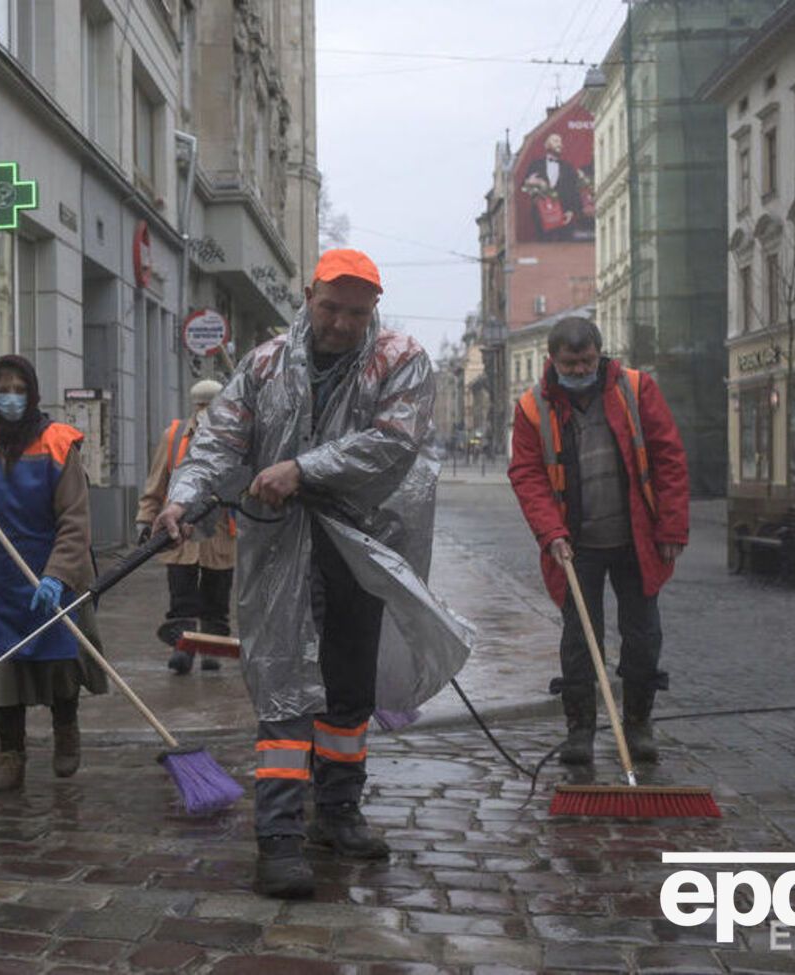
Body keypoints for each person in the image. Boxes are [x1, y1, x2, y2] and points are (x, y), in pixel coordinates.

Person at [152, 249, 468, 899]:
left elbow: (393, 440)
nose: (344, 323)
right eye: (331, 307)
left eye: (358, 312)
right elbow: (220, 442)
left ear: (373, 308)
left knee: (349, 686)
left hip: (361, 543)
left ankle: (339, 812)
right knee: (283, 683)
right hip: (281, 546)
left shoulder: (401, 359)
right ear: (308, 295)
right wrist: (182, 496)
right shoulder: (265, 365)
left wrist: (302, 469)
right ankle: (280, 836)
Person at [507, 317, 689, 766]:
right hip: (575, 544)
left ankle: (639, 725)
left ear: (600, 353)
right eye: (570, 362)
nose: (579, 368)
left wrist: (670, 529)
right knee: (580, 641)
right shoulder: (532, 408)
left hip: (636, 538)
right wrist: (551, 533)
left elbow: (668, 458)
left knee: (643, 636)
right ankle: (580, 732)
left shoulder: (636, 388)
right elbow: (527, 475)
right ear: (553, 359)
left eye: (587, 360)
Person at [0, 354, 107, 792]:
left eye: (20, 390)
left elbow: (75, 520)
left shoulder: (57, 443)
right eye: (3, 390)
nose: (11, 398)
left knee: (59, 661)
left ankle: (66, 733)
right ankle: (10, 755)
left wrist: (58, 574)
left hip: (51, 570)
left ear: (32, 394)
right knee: (7, 665)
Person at [135, 378, 237, 675]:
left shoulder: (233, 436)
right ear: (194, 405)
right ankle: (183, 649)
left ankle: (211, 649)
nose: (206, 410)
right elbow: (157, 482)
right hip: (179, 534)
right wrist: (144, 518)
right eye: (202, 405)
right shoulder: (175, 435)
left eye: (212, 404)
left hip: (220, 535)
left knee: (217, 598)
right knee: (181, 598)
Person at [522, 132, 585, 241]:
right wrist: (530, 182)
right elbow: (525, 186)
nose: (560, 144)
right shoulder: (536, 165)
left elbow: (575, 192)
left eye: (560, 142)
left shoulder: (568, 168)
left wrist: (571, 211)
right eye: (556, 141)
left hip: (564, 221)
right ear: (547, 145)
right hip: (541, 219)